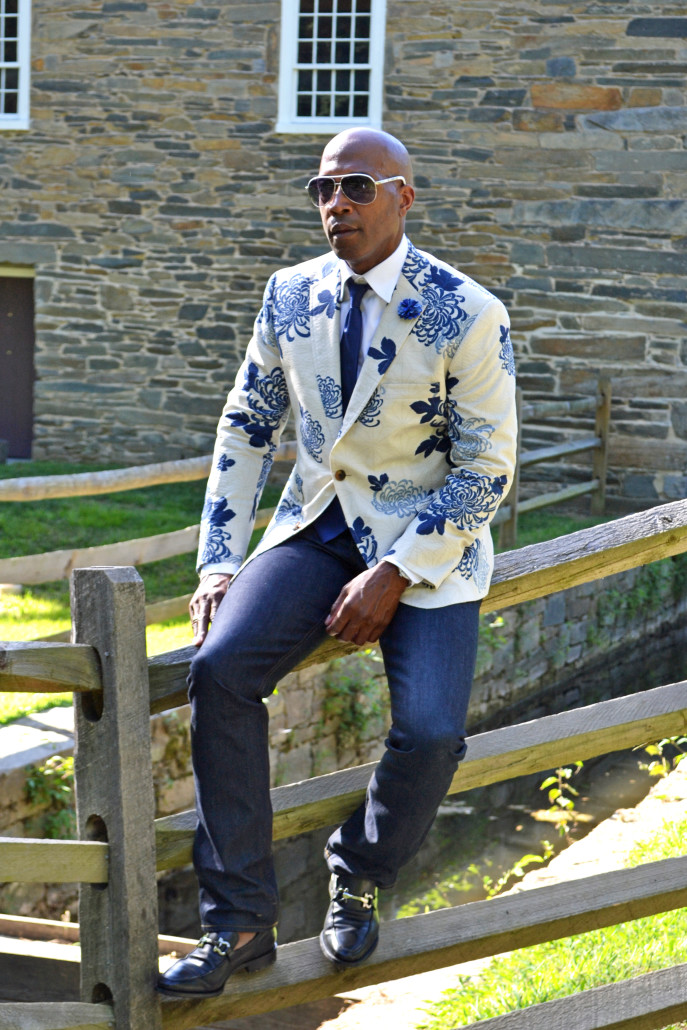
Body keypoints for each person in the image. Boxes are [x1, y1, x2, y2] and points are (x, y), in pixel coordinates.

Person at [157, 127, 517, 998]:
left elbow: (487, 467)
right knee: (220, 669)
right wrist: (216, 564)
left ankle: (357, 865)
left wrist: (395, 573)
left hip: (426, 539)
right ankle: (238, 920)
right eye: (321, 190)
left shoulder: (464, 310)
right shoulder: (289, 296)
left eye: (356, 186)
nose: (335, 206)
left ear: (404, 196)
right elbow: (246, 430)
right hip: (318, 527)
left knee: (432, 731)